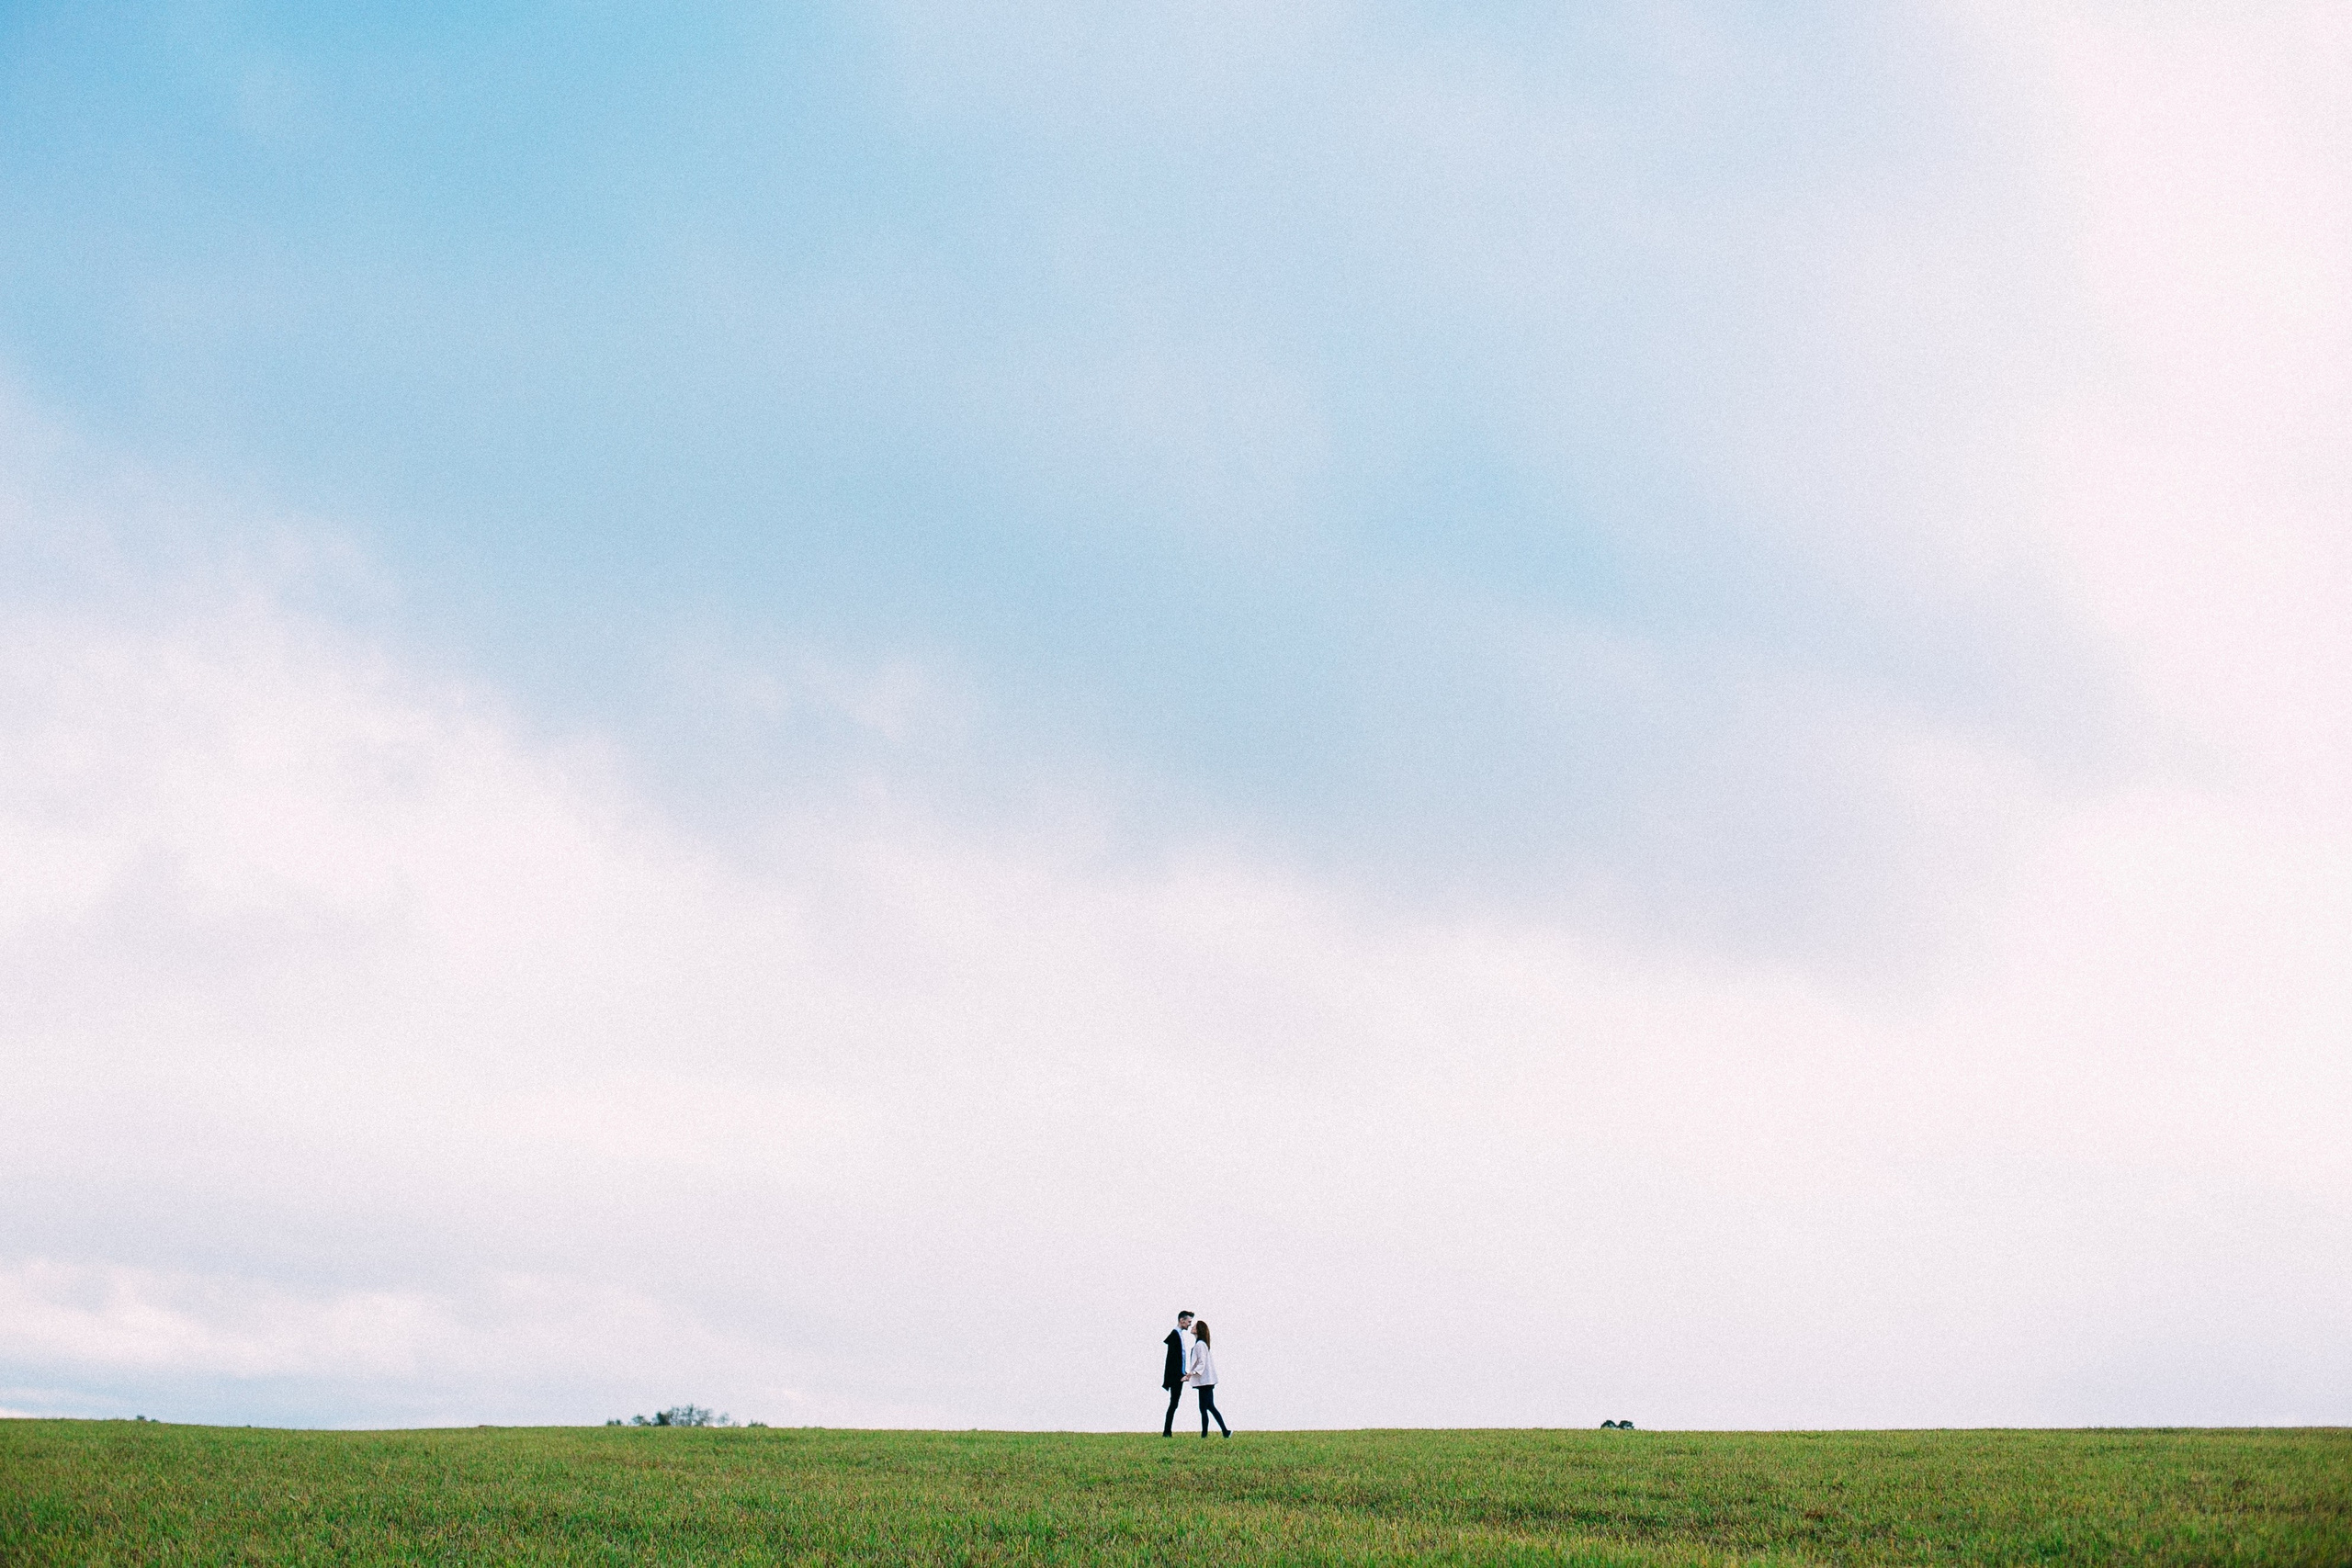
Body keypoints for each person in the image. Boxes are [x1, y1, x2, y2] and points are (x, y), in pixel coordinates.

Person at [1187, 1318, 1229, 1437]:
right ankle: (1225, 1431)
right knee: (1209, 1406)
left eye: (1194, 1326)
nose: (1192, 1327)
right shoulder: (1201, 1344)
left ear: (1199, 1330)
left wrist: (1191, 1374)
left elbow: (1202, 1363)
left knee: (1204, 1408)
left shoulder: (1200, 1345)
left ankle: (1205, 1434)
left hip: (1205, 1381)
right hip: (1206, 1381)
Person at [1160, 1311, 1194, 1436]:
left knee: (1174, 1403)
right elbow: (1172, 1360)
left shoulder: (1178, 1335)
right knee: (1174, 1403)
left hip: (1178, 1374)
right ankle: (1167, 1431)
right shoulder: (1175, 1335)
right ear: (1182, 1320)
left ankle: (1167, 1430)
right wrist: (1178, 1375)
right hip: (1176, 1377)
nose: (1190, 1324)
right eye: (1189, 1321)